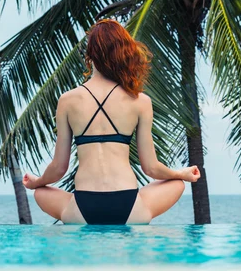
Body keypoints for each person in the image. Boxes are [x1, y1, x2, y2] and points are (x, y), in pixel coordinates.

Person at [22, 19, 201, 224]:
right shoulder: (140, 101)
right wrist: (181, 173)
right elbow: (151, 168)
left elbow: (58, 168)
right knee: (177, 183)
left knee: (41, 192)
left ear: (89, 55)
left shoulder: (67, 100)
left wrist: (37, 182)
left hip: (82, 208)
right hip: (129, 208)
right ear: (123, 53)